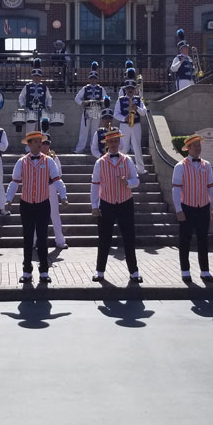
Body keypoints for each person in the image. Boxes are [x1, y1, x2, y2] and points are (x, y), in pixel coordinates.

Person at [6, 130, 64, 284]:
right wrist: (9, 198)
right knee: (27, 238)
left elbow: (57, 179)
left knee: (43, 238)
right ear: (29, 144)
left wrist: (63, 195)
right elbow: (14, 181)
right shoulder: (22, 161)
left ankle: (44, 271)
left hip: (42, 203)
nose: (40, 144)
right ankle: (26, 271)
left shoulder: (49, 161)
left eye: (41, 141)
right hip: (26, 204)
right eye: (36, 141)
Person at [90, 129, 142, 284]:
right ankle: (99, 271)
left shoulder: (127, 160)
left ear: (119, 143)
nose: (113, 144)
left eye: (115, 141)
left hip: (125, 203)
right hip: (106, 203)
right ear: (106, 144)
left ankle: (134, 272)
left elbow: (136, 180)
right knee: (104, 239)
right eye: (110, 142)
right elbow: (95, 185)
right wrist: (94, 205)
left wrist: (128, 183)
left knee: (129, 239)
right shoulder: (100, 162)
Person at [172, 134, 213, 283]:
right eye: (195, 146)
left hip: (203, 207)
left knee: (203, 240)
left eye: (199, 145)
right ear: (189, 149)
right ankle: (185, 271)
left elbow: (211, 187)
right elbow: (176, 189)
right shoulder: (180, 166)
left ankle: (205, 271)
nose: (198, 148)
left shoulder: (207, 165)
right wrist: (178, 209)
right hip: (187, 207)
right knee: (185, 240)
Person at [38, 134, 69, 249]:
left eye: (47, 143)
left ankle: (60, 241)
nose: (45, 146)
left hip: (51, 186)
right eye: (43, 143)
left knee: (55, 214)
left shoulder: (54, 157)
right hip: (39, 187)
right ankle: (35, 241)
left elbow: (59, 174)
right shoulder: (35, 156)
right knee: (38, 216)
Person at [113, 73, 147, 173]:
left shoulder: (138, 99)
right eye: (128, 88)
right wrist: (124, 118)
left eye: (132, 88)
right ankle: (121, 169)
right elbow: (116, 114)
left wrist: (137, 108)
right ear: (125, 89)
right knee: (123, 147)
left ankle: (140, 169)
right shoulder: (121, 100)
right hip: (124, 125)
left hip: (136, 125)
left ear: (134, 89)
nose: (130, 90)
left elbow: (144, 113)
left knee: (137, 147)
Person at [74, 62, 105, 153]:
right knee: (84, 130)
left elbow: (106, 99)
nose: (93, 80)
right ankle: (79, 148)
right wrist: (82, 103)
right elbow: (77, 98)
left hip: (96, 110)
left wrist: (102, 102)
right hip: (87, 111)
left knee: (95, 131)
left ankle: (93, 149)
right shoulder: (85, 88)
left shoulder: (101, 89)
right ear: (89, 79)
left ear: (97, 79)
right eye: (91, 78)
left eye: (94, 78)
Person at [19, 59, 52, 126]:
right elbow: (21, 96)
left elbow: (49, 97)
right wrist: (22, 105)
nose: (36, 78)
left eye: (38, 76)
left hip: (42, 111)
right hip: (30, 111)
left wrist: (49, 106)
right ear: (32, 77)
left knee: (42, 129)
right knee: (30, 130)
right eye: (35, 76)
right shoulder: (27, 86)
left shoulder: (44, 87)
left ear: (40, 77)